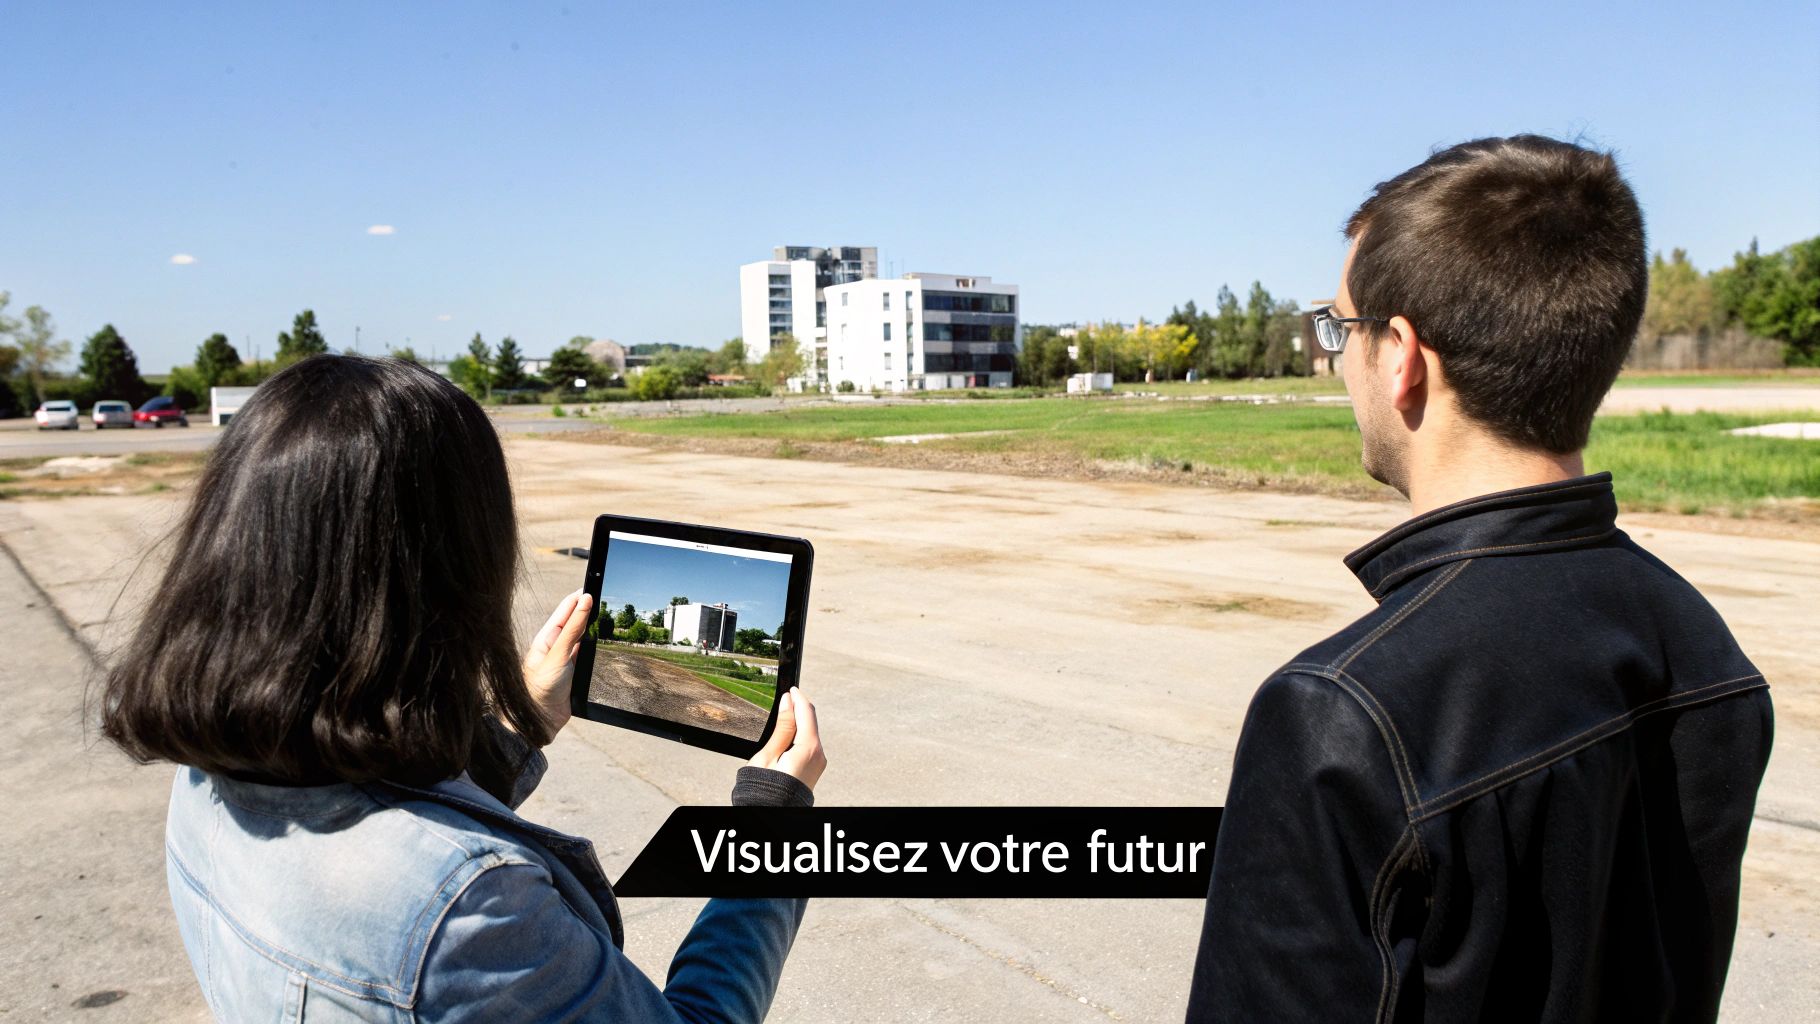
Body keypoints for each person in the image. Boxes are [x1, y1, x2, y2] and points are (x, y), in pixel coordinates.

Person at [1187, 136, 1773, 1022]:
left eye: (1341, 330)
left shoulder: (1341, 715)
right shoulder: (1695, 636)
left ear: (1400, 357)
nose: (1337, 359)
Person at [101, 354, 826, 1021]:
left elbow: (381, 810)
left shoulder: (209, 780)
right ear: (449, 576)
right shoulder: (472, 907)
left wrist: (523, 720)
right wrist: (771, 832)